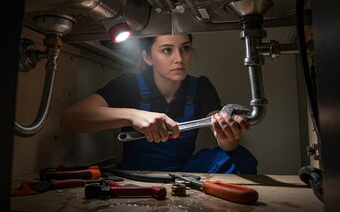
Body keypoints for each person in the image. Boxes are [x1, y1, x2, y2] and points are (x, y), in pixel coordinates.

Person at [59, 34, 257, 174]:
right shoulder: (129, 84)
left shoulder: (201, 87)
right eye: (166, 50)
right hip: (134, 174)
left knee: (240, 157)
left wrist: (228, 136)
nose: (179, 59)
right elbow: (70, 118)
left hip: (184, 173)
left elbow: (220, 132)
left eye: (185, 48)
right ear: (147, 57)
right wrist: (133, 115)